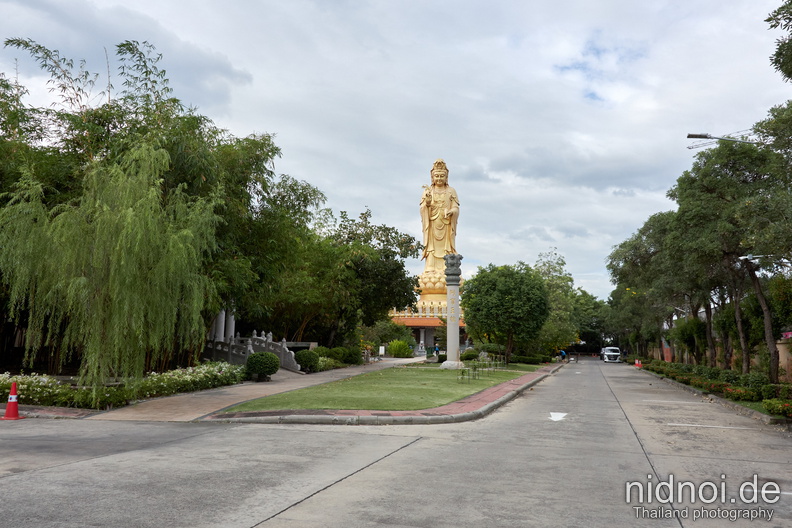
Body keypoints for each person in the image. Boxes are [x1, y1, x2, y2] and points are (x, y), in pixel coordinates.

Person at [420, 159, 460, 273]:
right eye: (436, 176)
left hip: (446, 224)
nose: (439, 178)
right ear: (432, 177)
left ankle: (446, 267)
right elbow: (423, 208)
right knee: (431, 247)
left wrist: (452, 211)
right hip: (432, 224)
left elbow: (456, 207)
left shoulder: (451, 191)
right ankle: (430, 268)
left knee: (446, 248)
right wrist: (427, 203)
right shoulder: (428, 191)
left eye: (442, 176)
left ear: (446, 177)